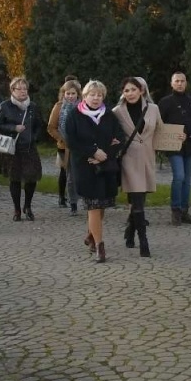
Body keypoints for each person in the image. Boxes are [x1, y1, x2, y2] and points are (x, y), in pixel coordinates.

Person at [64, 80, 126, 263]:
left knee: (102, 204)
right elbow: (71, 141)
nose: (96, 98)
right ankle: (99, 246)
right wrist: (92, 151)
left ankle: (91, 235)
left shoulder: (109, 115)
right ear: (85, 96)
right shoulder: (74, 115)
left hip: (105, 166)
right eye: (93, 94)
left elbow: (119, 139)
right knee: (94, 205)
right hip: (84, 167)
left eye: (99, 95)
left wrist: (105, 154)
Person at [112, 77, 162, 257]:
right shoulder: (117, 111)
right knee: (138, 200)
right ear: (122, 93)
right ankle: (144, 242)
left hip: (147, 158)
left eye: (133, 90)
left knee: (140, 198)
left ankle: (130, 231)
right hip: (129, 160)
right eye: (126, 91)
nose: (130, 93)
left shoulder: (153, 109)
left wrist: (178, 139)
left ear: (141, 90)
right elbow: (111, 133)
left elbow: (161, 131)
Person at [0, 75, 45, 222]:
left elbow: (39, 125)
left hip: (29, 148)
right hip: (12, 148)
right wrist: (13, 128)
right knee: (15, 179)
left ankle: (27, 206)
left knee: (31, 178)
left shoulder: (33, 107)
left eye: (25, 89)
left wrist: (34, 137)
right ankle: (17, 209)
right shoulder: (4, 106)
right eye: (20, 89)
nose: (23, 91)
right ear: (12, 90)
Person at [159, 71, 191, 225]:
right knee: (179, 176)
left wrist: (189, 136)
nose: (179, 83)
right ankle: (176, 209)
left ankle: (185, 210)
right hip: (173, 147)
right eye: (177, 81)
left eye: (182, 81)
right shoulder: (165, 102)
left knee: (187, 180)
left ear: (186, 83)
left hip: (190, 146)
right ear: (172, 83)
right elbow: (160, 126)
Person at [47, 77, 82, 214]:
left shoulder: (83, 106)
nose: (70, 96)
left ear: (78, 94)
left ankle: (84, 199)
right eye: (68, 93)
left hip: (81, 146)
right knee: (69, 175)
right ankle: (72, 202)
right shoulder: (59, 107)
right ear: (63, 94)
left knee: (82, 175)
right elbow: (51, 127)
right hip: (65, 147)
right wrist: (62, 139)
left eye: (73, 93)